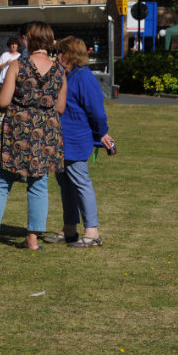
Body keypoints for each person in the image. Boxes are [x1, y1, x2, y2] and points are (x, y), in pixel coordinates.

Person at [0, 22, 66, 251]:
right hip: (46, 130)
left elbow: (3, 102)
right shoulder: (59, 70)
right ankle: (32, 238)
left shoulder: (19, 65)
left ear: (31, 39)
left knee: (1, 182)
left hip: (18, 128)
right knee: (39, 184)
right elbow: (60, 108)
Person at [45, 36, 112, 248]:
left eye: (60, 52)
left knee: (81, 183)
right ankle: (70, 229)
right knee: (65, 184)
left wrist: (102, 133)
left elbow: (97, 112)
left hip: (76, 140)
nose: (56, 56)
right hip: (62, 140)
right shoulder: (67, 75)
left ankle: (92, 232)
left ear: (70, 55)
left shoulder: (84, 77)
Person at [0, 37, 22, 123]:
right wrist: (7, 63)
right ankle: (2, 116)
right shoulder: (5, 55)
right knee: (1, 98)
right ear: (9, 46)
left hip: (14, 81)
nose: (13, 46)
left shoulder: (20, 56)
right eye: (12, 44)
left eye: (15, 44)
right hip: (2, 80)